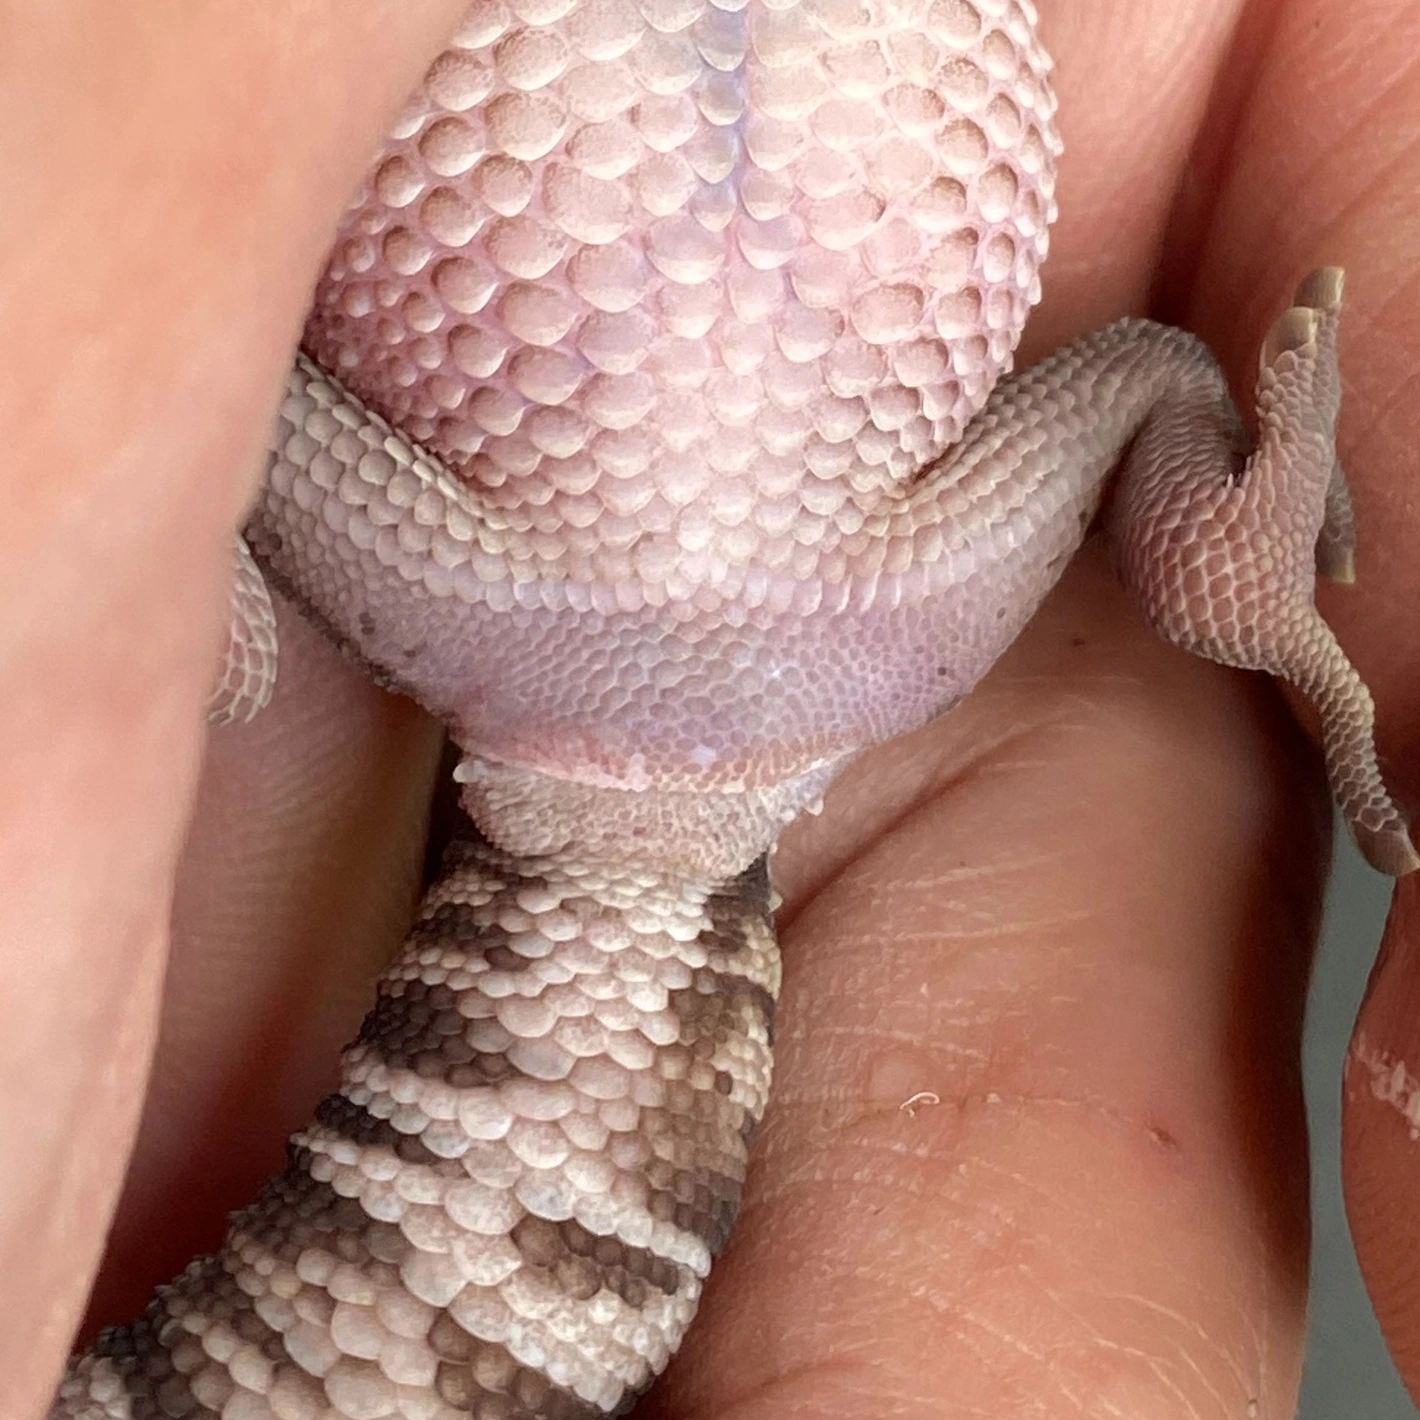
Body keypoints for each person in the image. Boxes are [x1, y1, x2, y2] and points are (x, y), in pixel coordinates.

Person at [3, 3, 1419, 1416]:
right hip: (820, 602)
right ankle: (1231, 577)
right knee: (1154, 378)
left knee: (194, 423)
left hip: (530, 589)